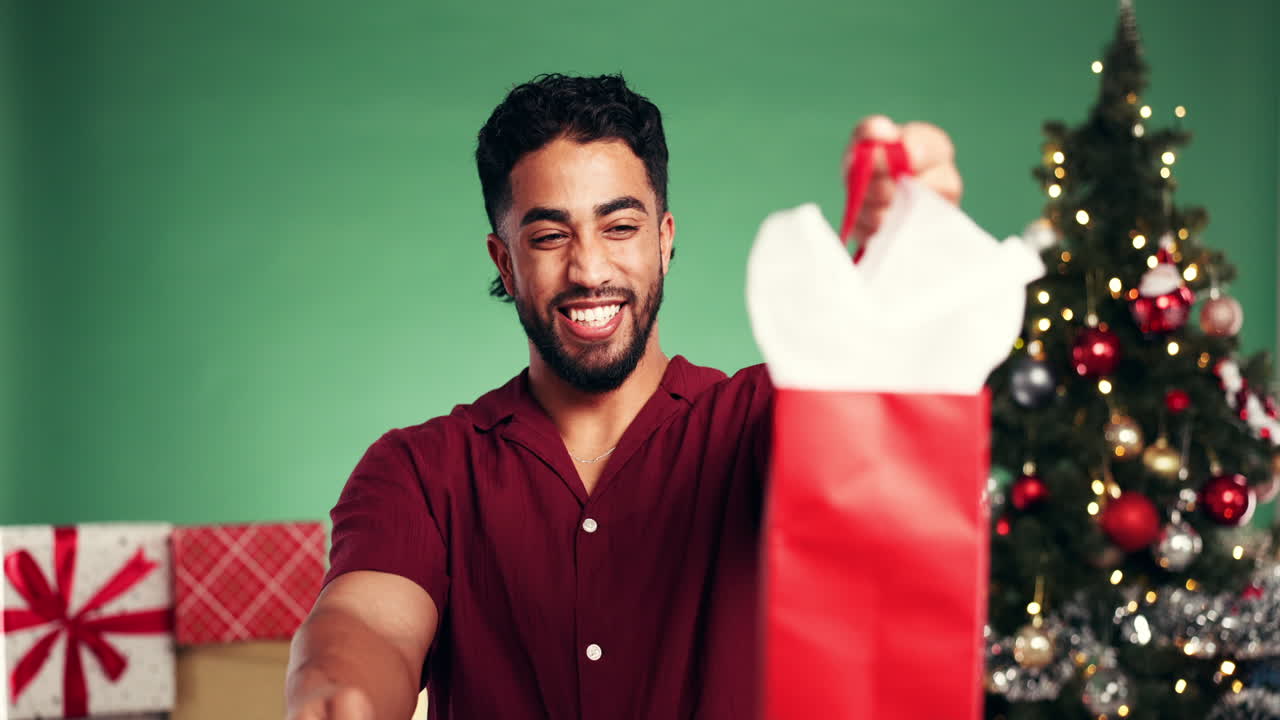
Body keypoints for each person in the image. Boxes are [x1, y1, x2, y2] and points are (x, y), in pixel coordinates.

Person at [284, 73, 962, 720]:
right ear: (505, 263)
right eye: (549, 236)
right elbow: (368, 622)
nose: (589, 269)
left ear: (664, 241)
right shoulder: (422, 471)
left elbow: (870, 429)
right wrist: (338, 687)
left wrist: (901, 273)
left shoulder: (762, 420)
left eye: (620, 227)